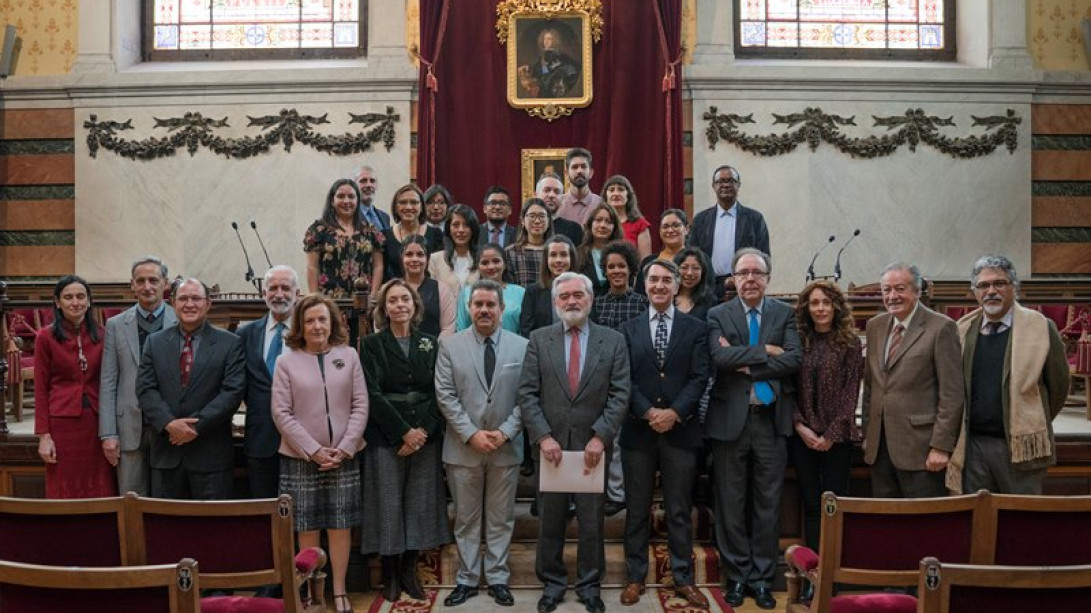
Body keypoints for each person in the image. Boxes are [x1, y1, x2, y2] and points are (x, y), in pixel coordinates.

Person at [518, 272, 630, 613]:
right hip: (550, 449)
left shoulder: (612, 340)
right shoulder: (539, 339)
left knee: (592, 520)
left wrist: (601, 436)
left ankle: (589, 585)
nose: (571, 301)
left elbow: (620, 393)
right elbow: (527, 393)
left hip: (591, 449)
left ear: (590, 299)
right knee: (550, 519)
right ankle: (552, 584)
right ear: (555, 303)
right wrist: (542, 436)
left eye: (578, 295)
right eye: (564, 296)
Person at [706, 248, 801, 611]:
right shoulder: (718, 313)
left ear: (767, 278)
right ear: (733, 277)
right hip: (730, 422)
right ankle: (738, 576)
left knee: (767, 503)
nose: (749, 279)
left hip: (770, 422)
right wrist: (767, 352)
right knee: (731, 503)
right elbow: (720, 358)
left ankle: (762, 579)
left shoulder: (785, 313)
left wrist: (745, 359)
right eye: (742, 272)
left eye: (756, 273)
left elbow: (793, 359)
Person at [618, 260, 710, 609]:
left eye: (665, 280)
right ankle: (635, 577)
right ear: (644, 285)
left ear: (676, 286)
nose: (659, 285)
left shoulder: (696, 327)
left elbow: (700, 377)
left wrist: (674, 413)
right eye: (653, 280)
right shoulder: (628, 329)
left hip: (680, 431)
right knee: (637, 508)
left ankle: (683, 579)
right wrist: (646, 411)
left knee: (678, 510)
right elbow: (622, 377)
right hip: (638, 432)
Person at [271, 293, 368, 613]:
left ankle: (339, 591)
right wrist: (313, 450)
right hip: (301, 458)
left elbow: (360, 405)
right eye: (310, 320)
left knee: (340, 524)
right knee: (306, 525)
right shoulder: (286, 361)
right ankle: (313, 592)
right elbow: (281, 413)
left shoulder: (349, 355)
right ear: (301, 324)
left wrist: (344, 448)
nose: (316, 326)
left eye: (322, 319)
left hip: (343, 456)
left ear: (332, 323)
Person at [436, 279, 529, 608]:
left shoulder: (522, 346)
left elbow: (527, 397)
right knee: (466, 517)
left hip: (506, 447)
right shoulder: (450, 346)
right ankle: (467, 579)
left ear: (502, 310)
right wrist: (471, 433)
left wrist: (505, 432)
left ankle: (499, 577)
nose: (485, 310)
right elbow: (445, 397)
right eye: (478, 304)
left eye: (491, 305)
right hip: (463, 448)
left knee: (501, 517)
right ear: (468, 308)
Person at [359, 280, 452, 603]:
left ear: (414, 306)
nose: (400, 305)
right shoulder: (371, 344)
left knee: (419, 502)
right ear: (384, 309)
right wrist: (403, 432)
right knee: (388, 503)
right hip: (386, 437)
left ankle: (410, 569)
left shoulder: (430, 343)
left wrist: (422, 431)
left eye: (405, 299)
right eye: (393, 301)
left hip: (425, 436)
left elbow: (440, 391)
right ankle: (390, 571)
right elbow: (371, 393)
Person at [946, 255, 1070, 495]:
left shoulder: (1041, 328)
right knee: (977, 521)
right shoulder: (962, 331)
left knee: (1021, 521)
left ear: (1013, 287)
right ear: (975, 292)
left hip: (1019, 447)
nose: (991, 291)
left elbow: (1059, 386)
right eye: (983, 285)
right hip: (972, 448)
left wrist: (1029, 419)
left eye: (999, 284)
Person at [862, 262, 964, 499]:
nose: (892, 296)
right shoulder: (875, 326)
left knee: (923, 527)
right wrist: (869, 434)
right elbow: (872, 386)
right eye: (886, 290)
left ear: (917, 291)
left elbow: (952, 394)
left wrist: (941, 446)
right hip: (880, 449)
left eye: (900, 288)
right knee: (886, 523)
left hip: (922, 450)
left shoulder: (941, 328)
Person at [137, 278, 246, 500]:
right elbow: (145, 389)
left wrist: (194, 428)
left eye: (196, 298)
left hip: (211, 456)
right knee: (166, 528)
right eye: (183, 298)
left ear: (208, 303)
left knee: (211, 530)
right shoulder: (154, 342)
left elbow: (232, 392)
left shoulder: (230, 343)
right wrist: (168, 423)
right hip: (166, 454)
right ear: (172, 303)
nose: (189, 304)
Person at [790, 280, 863, 558]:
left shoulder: (850, 343)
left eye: (826, 302)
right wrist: (800, 426)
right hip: (803, 437)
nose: (820, 308)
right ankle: (813, 573)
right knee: (811, 505)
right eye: (814, 303)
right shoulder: (798, 341)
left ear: (836, 306)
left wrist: (831, 435)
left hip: (838, 438)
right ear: (806, 308)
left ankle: (834, 571)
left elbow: (850, 393)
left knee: (834, 506)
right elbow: (789, 389)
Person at [100, 255, 176, 496]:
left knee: (167, 500)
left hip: (169, 425)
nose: (147, 287)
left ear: (165, 283)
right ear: (132, 285)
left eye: (153, 280)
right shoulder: (115, 325)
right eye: (140, 281)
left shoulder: (180, 320)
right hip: (129, 426)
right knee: (131, 499)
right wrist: (108, 433)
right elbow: (108, 381)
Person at [35, 275, 116, 499]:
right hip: (61, 423)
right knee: (64, 485)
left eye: (80, 296)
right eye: (68, 297)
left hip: (96, 422)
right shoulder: (46, 337)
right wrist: (44, 435)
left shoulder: (103, 334)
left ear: (89, 301)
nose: (75, 302)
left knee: (99, 484)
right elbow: (41, 388)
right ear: (58, 302)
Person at [237, 265, 301, 499]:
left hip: (302, 437)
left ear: (298, 293)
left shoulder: (309, 334)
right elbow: (240, 385)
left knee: (298, 510)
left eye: (286, 288)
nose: (279, 293)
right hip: (260, 437)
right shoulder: (245, 334)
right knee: (263, 506)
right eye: (272, 288)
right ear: (263, 294)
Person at [689, 165, 771, 291]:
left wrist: (741, 277)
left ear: (738, 185)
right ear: (713, 186)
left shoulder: (754, 219)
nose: (726, 185)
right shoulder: (700, 220)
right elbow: (692, 254)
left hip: (743, 286)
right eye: (721, 181)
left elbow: (764, 256)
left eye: (731, 181)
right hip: (707, 288)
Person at [304, 178, 384, 297]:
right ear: (332, 200)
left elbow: (378, 266)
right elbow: (312, 267)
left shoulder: (371, 231)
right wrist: (314, 298)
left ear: (358, 201)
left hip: (363, 302)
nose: (346, 201)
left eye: (351, 197)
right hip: (328, 302)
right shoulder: (318, 230)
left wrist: (372, 297)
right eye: (341, 196)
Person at [457, 244, 525, 334]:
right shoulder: (467, 293)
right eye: (485, 263)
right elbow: (461, 329)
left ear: (504, 264)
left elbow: (524, 329)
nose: (491, 267)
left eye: (496, 261)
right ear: (478, 266)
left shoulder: (520, 293)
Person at [382, 183, 445, 279]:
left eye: (414, 202)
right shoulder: (384, 235)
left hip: (428, 292)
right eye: (403, 202)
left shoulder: (436, 235)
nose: (408, 207)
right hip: (393, 291)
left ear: (422, 207)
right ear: (395, 207)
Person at [520, 236, 578, 338]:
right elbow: (527, 331)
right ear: (546, 259)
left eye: (564, 255)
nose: (558, 260)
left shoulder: (584, 289)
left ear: (571, 258)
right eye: (553, 255)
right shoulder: (532, 292)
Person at [402, 234, 456, 338]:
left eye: (420, 254)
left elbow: (448, 328)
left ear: (427, 259)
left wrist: (433, 352)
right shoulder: (392, 289)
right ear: (401, 257)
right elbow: (380, 324)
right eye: (409, 254)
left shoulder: (442, 290)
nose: (414, 259)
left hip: (434, 351)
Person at [591, 241, 648, 332]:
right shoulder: (597, 304)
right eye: (611, 267)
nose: (616, 271)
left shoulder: (643, 304)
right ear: (605, 271)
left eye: (622, 266)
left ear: (630, 269)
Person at [428, 203, 481, 297]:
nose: (461, 230)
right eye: (456, 225)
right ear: (448, 229)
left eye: (466, 225)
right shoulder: (434, 259)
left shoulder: (482, 258)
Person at [519, 26, 580, 98]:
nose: (546, 41)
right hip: (544, 87)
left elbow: (570, 68)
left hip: (555, 86)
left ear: (554, 41)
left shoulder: (561, 55)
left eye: (549, 39)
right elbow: (539, 70)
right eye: (545, 39)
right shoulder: (542, 57)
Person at [576, 202, 624, 295]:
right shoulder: (578, 254)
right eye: (598, 220)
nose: (602, 225)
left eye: (608, 222)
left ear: (615, 227)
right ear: (590, 224)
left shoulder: (623, 254)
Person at [505, 198, 553, 288]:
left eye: (542, 216)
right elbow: (510, 288)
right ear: (522, 220)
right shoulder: (511, 252)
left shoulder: (555, 251)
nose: (537, 221)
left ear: (549, 221)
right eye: (532, 216)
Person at [602, 175, 652, 260]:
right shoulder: (600, 224)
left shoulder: (640, 224)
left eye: (621, 189)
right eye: (611, 190)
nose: (616, 193)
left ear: (628, 196)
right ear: (605, 196)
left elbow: (645, 262)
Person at [557, 148, 602, 226]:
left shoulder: (601, 204)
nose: (579, 171)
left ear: (591, 173)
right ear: (566, 174)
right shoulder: (558, 205)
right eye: (575, 167)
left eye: (583, 167)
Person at [673, 247, 718, 323]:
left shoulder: (710, 301)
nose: (689, 273)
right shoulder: (666, 297)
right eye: (684, 267)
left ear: (702, 272)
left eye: (695, 268)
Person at [536, 173, 584, 245]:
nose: (551, 195)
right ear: (535, 195)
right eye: (546, 190)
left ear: (562, 198)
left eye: (556, 192)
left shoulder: (574, 229)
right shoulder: (525, 228)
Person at [355, 165, 391, 231]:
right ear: (354, 186)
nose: (369, 185)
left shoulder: (385, 217)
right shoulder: (349, 215)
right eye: (363, 181)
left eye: (372, 181)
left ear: (377, 185)